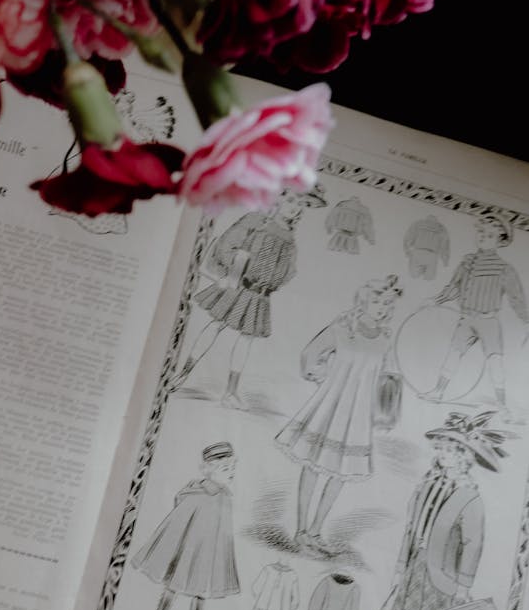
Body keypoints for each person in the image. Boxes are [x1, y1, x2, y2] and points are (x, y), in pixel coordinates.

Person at [379, 411, 509, 610]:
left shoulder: (469, 496)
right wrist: (400, 566)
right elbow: (411, 528)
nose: (443, 455)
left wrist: (463, 587)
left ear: (464, 457)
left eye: (451, 450)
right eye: (440, 448)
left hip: (445, 581)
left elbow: (472, 544)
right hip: (416, 571)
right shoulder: (426, 485)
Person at [274, 275, 403, 553]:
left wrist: (385, 411)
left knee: (341, 473)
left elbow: (390, 375)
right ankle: (300, 532)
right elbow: (310, 354)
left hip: (358, 414)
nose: (381, 307)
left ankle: (316, 531)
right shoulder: (344, 328)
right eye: (376, 300)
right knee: (313, 466)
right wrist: (322, 377)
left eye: (386, 303)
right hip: (331, 405)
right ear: (364, 300)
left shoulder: (384, 339)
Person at [173, 186, 326, 408]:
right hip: (238, 286)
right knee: (216, 326)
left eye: (301, 205)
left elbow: (288, 270)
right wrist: (228, 272)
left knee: (246, 339)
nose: (295, 208)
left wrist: (272, 281)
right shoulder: (257, 221)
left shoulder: (290, 237)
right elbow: (227, 244)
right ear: (279, 198)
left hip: (259, 296)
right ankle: (182, 374)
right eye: (292, 201)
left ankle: (231, 391)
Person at [132, 441, 239, 610]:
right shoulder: (195, 491)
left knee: (201, 596)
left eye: (232, 468)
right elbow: (179, 512)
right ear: (210, 469)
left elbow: (224, 531)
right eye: (226, 468)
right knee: (172, 589)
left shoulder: (226, 496)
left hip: (207, 554)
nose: (231, 473)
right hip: (187, 551)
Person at [421, 212, 528, 420]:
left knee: (495, 361)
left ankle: (501, 404)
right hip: (466, 319)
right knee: (453, 353)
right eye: (480, 233)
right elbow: (454, 287)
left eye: (489, 235)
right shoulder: (467, 262)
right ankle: (438, 391)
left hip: (489, 321)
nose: (482, 237)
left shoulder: (504, 268)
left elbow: (516, 298)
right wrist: (436, 300)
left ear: (500, 240)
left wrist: (526, 321)